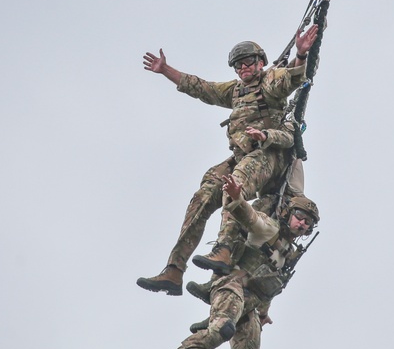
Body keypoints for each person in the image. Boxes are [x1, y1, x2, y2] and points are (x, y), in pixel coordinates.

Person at [140, 174, 320, 349]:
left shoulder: (290, 253)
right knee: (218, 334)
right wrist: (236, 198)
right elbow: (252, 219)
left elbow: (271, 283)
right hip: (231, 286)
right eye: (299, 216)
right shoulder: (271, 229)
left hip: (253, 304)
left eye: (308, 223)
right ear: (288, 213)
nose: (302, 223)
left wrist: (263, 312)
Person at [136, 24, 320, 296]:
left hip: (271, 155)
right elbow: (202, 88)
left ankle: (223, 249)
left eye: (248, 63)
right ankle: (174, 269)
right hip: (244, 155)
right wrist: (166, 70)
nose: (244, 69)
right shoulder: (235, 90)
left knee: (234, 185)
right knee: (205, 193)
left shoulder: (268, 82)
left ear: (260, 63)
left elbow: (290, 79)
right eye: (238, 66)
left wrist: (302, 55)